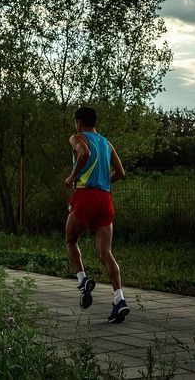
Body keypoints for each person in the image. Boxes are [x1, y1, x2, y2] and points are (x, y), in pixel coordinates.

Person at [64, 106, 130, 323]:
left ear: (79, 122)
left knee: (71, 239)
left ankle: (83, 281)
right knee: (105, 253)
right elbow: (120, 172)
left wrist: (72, 178)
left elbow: (84, 153)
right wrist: (103, 184)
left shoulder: (77, 137)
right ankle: (119, 299)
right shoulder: (105, 142)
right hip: (105, 199)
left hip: (85, 197)